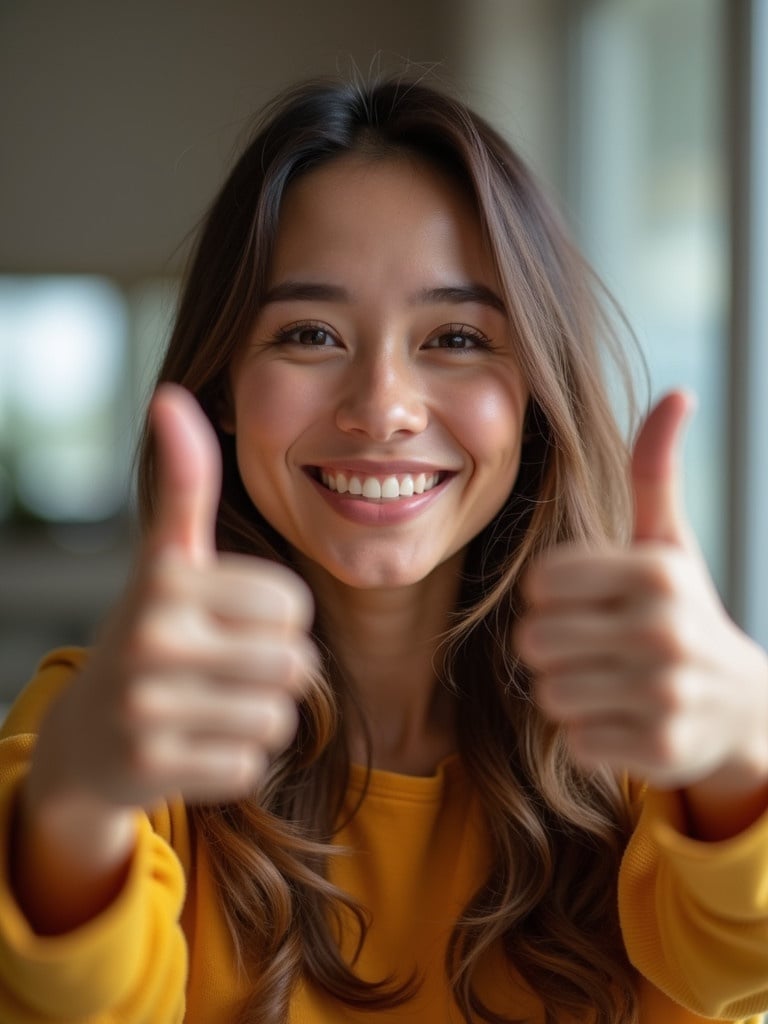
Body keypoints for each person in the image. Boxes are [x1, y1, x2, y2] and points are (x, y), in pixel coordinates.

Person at [0, 75, 766, 1024]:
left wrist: (746, 747)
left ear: (533, 395)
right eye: (310, 333)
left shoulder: (652, 734)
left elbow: (743, 967)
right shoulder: (105, 729)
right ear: (224, 391)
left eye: (453, 336)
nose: (383, 409)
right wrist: (75, 802)